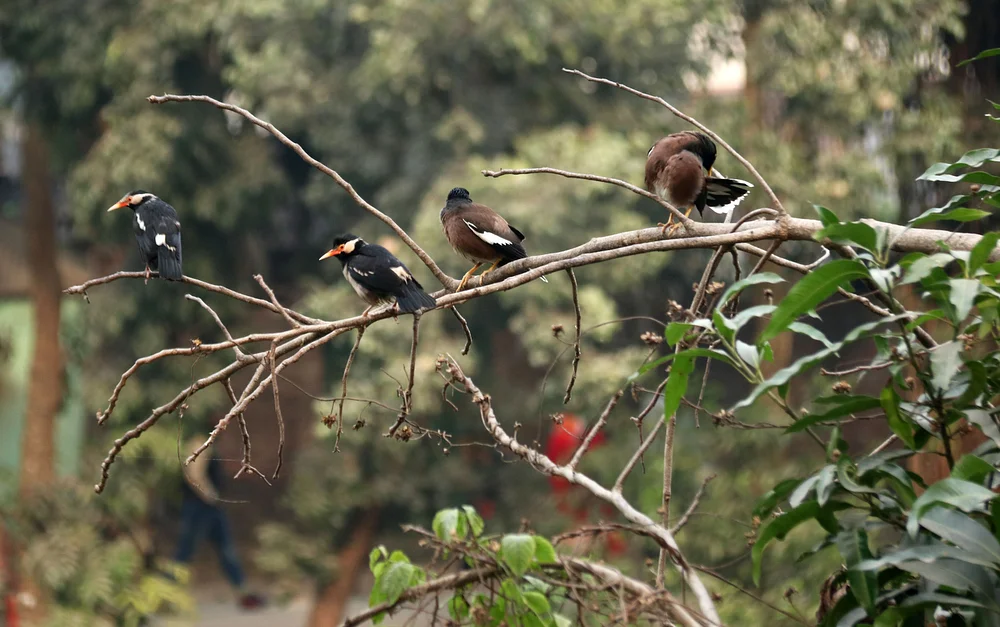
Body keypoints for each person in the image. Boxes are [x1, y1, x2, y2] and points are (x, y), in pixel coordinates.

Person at [174, 427, 265, 611]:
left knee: (226, 549)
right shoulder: (199, 443)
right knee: (185, 552)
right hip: (198, 507)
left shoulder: (209, 444)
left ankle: (243, 592)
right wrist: (211, 496)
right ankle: (165, 593)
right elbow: (194, 475)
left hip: (210, 507)